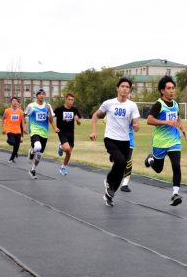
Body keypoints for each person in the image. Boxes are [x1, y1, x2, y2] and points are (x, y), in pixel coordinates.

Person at [90, 77, 140, 206]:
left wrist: (136, 126)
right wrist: (93, 131)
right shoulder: (109, 103)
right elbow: (95, 115)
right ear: (118, 88)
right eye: (122, 86)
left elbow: (136, 124)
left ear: (129, 90)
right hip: (110, 139)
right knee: (121, 161)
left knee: (121, 167)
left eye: (127, 87)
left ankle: (110, 193)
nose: (125, 89)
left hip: (125, 141)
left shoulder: (132, 105)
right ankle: (108, 180)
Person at [144, 76, 187, 206]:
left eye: (173, 88)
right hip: (160, 142)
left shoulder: (175, 104)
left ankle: (175, 194)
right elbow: (149, 120)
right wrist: (166, 122)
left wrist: (183, 129)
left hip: (174, 140)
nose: (172, 91)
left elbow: (177, 118)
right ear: (162, 90)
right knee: (158, 169)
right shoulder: (158, 104)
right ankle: (150, 159)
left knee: (176, 165)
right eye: (169, 88)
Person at [25, 89, 57, 179]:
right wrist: (24, 128)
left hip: (44, 133)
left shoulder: (48, 106)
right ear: (36, 96)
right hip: (34, 131)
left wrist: (55, 127)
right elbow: (24, 115)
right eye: (40, 94)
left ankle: (33, 169)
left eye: (43, 94)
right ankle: (31, 152)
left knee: (39, 155)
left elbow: (51, 120)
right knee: (37, 147)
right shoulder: (31, 106)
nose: (42, 95)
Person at [54, 93, 82, 176]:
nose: (70, 101)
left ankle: (63, 167)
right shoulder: (59, 109)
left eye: (72, 100)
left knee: (69, 153)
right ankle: (62, 147)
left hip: (71, 133)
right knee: (66, 148)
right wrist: (55, 127)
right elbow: (51, 117)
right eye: (69, 99)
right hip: (62, 132)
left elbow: (79, 123)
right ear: (65, 99)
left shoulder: (75, 110)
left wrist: (77, 120)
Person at [2, 96, 25, 163]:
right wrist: (4, 128)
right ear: (11, 102)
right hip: (9, 130)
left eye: (16, 101)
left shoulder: (21, 111)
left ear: (18, 103)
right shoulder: (7, 111)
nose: (14, 102)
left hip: (18, 131)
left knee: (16, 147)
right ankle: (8, 140)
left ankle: (11, 159)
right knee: (12, 142)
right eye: (13, 101)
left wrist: (24, 130)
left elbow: (23, 122)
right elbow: (3, 119)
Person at [119, 123, 135, 192]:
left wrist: (135, 125)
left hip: (129, 140)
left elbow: (136, 127)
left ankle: (124, 185)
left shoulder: (133, 115)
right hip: (117, 139)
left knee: (128, 161)